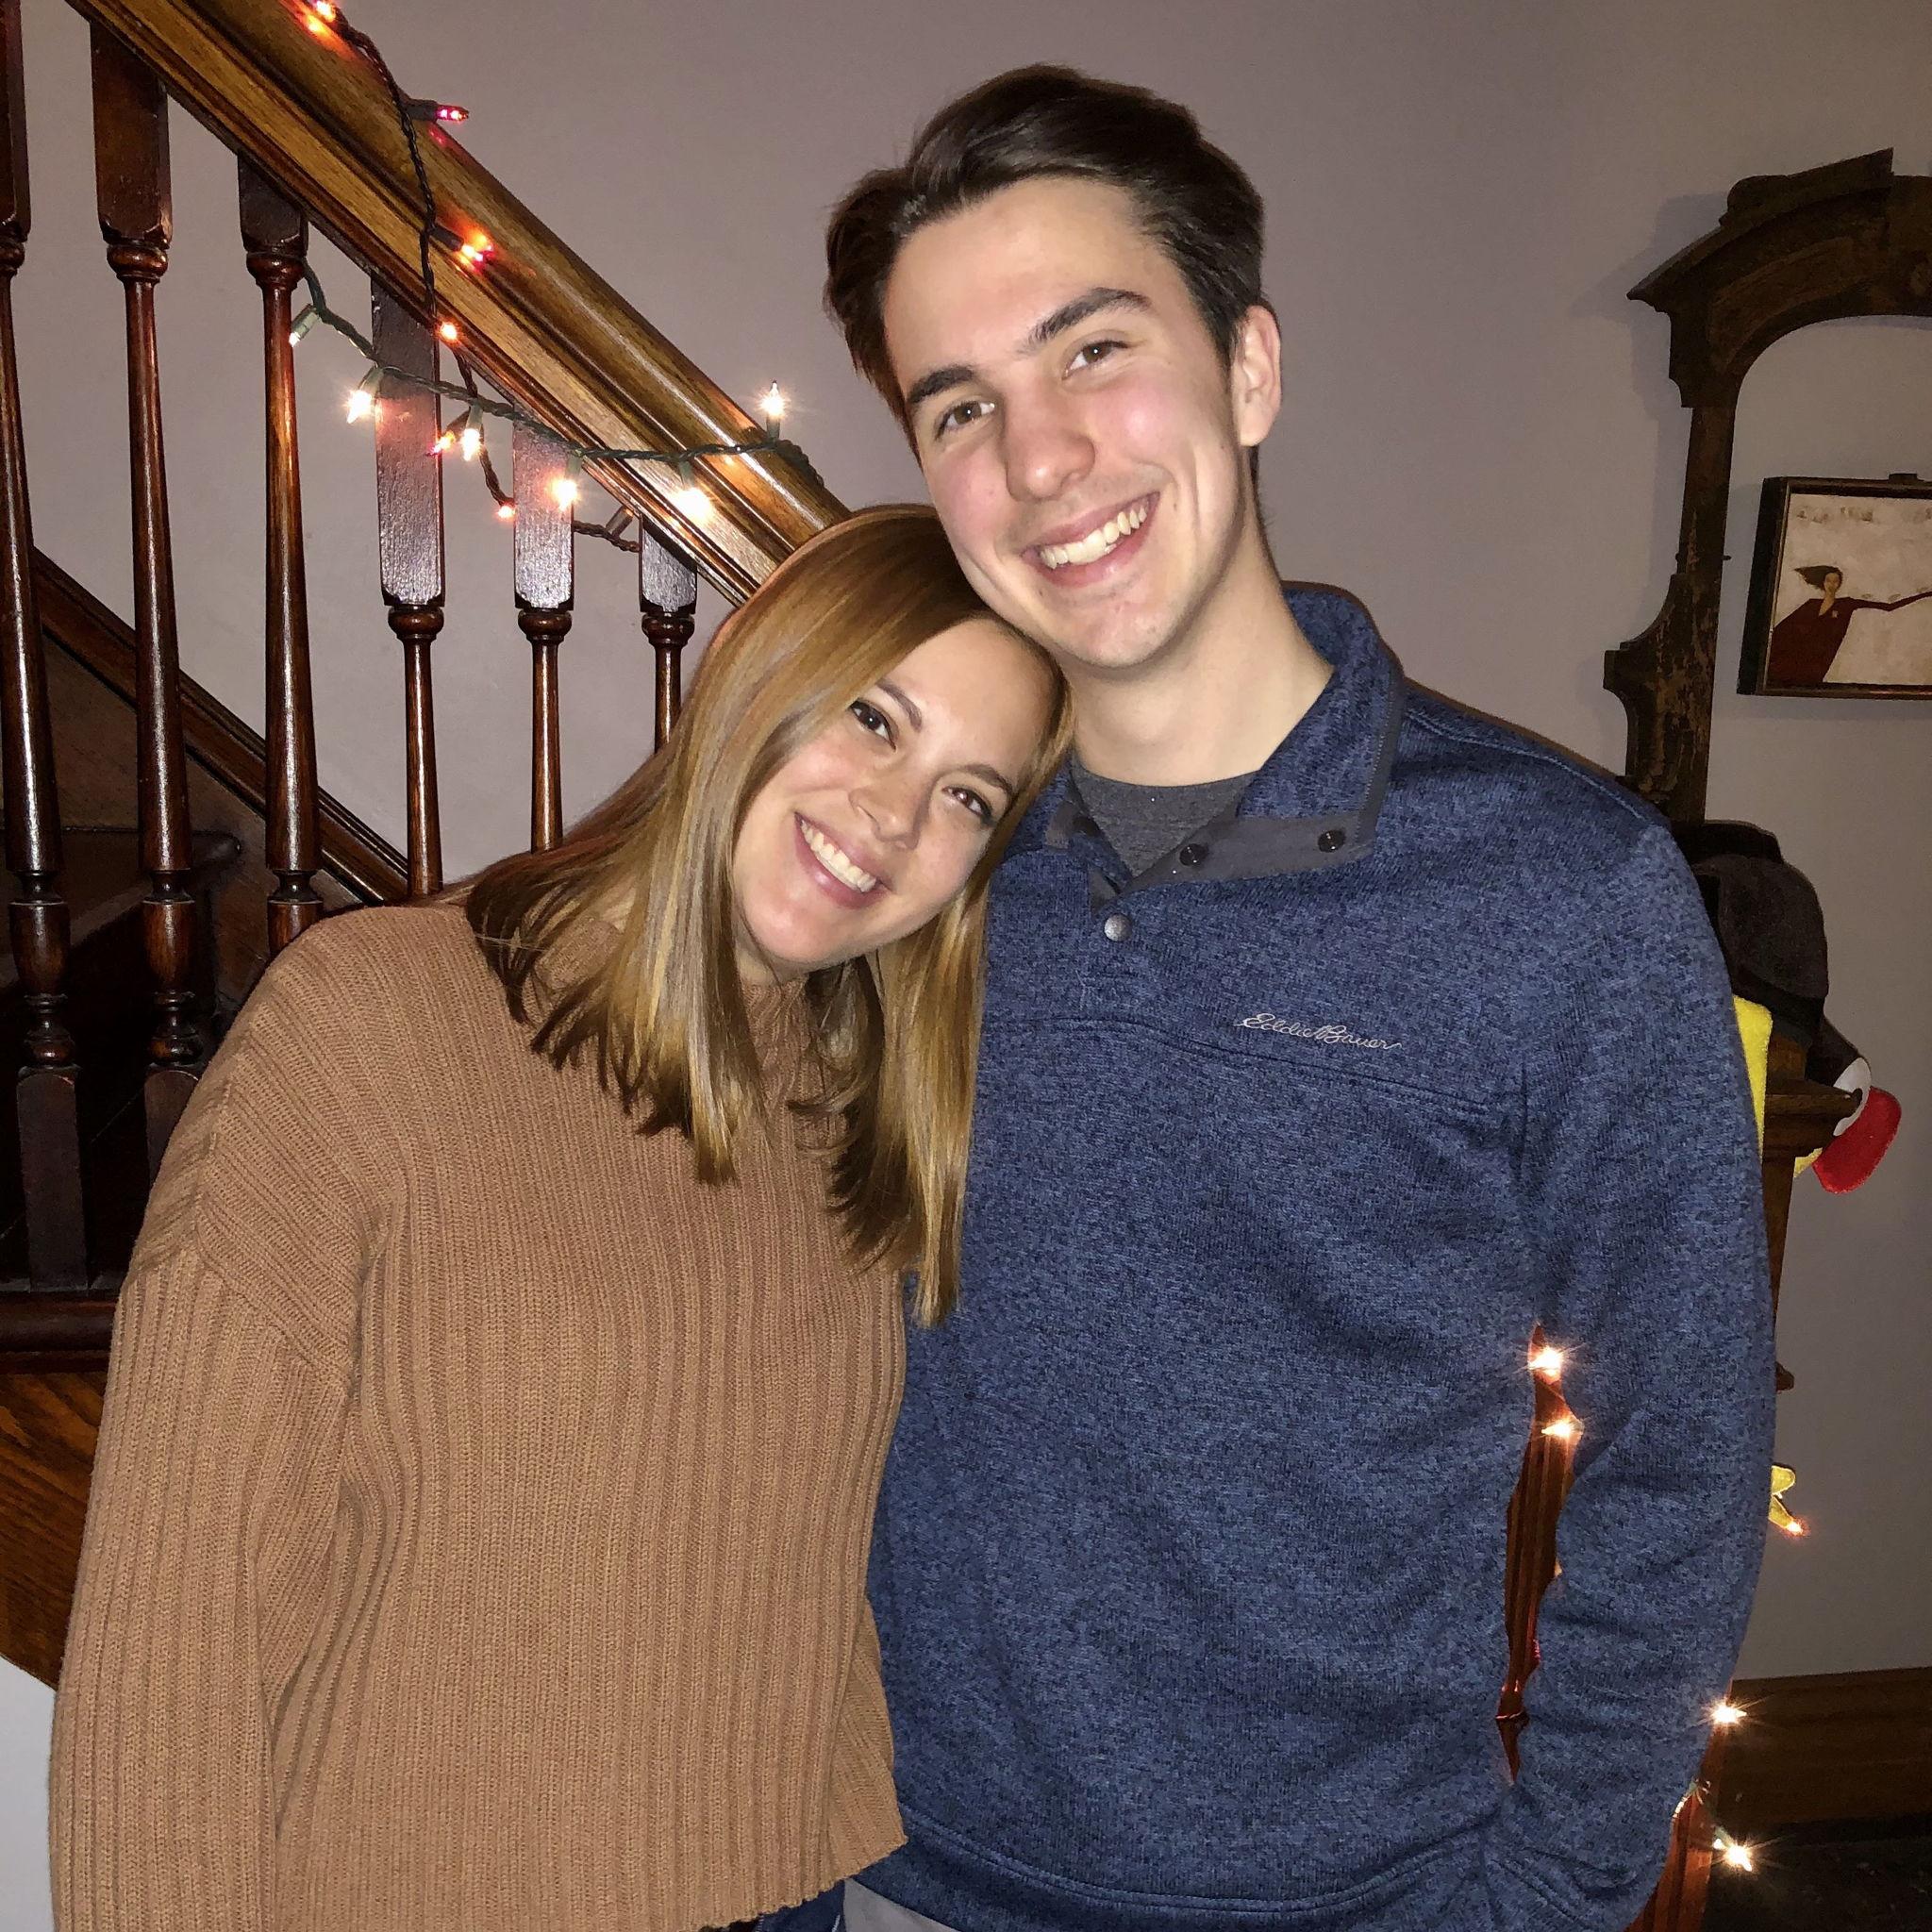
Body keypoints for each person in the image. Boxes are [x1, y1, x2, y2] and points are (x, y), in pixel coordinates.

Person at [795, 69, 1772, 1932]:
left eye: (1093, 350)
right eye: (960, 406)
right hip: (893, 1875)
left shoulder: (1558, 889)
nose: (1040, 457)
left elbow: (1683, 1449)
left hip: (1353, 1898)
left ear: (1247, 367)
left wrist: (1548, 1892)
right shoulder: (912, 863)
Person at [49, 506, 1070, 1932]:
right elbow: (173, 1638)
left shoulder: (857, 1109)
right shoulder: (372, 1022)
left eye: (968, 794)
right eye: (874, 718)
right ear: (753, 673)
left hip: (777, 1891)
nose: (895, 817)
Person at [1763, 561, 1932, 685]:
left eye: (1835, 581)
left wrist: (1924, 594)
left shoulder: (1846, 604)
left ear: (1839, 584)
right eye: (1829, 580)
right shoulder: (1811, 605)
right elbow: (1783, 630)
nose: (1832, 584)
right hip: (1794, 659)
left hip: (1817, 662)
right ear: (1823, 582)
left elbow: (1888, 607)